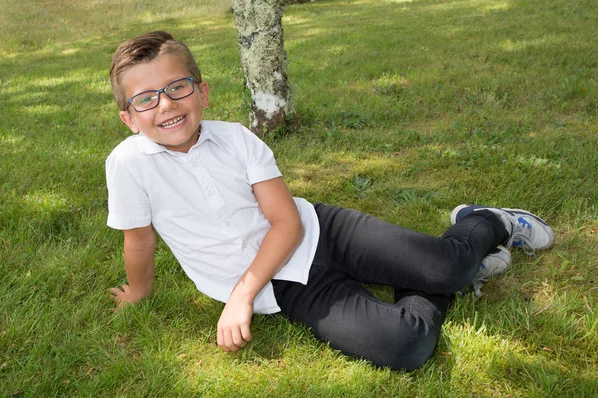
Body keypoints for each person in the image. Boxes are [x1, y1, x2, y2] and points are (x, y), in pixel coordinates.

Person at [106, 31, 555, 371]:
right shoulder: (128, 165)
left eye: (176, 87)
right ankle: (439, 280)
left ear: (201, 91)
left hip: (323, 232)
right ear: (128, 117)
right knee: (406, 346)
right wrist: (140, 291)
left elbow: (287, 223)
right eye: (146, 99)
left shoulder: (237, 140)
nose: (165, 105)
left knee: (449, 265)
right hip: (284, 288)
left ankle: (485, 222)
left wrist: (239, 296)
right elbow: (140, 242)